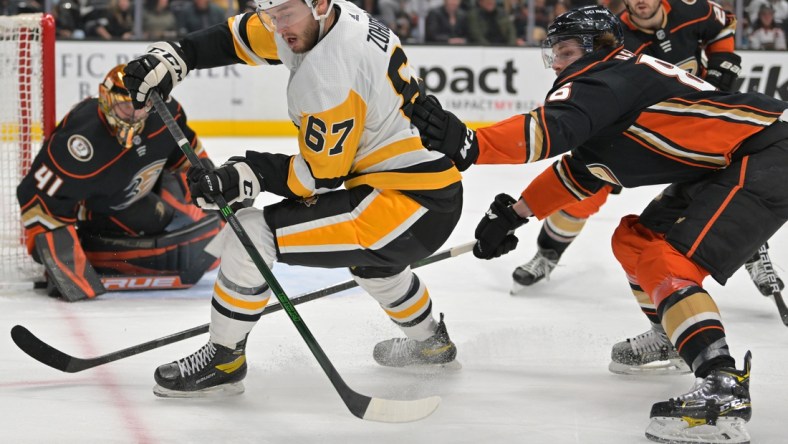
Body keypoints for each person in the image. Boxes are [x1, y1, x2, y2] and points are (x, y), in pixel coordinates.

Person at [412, 6, 788, 443]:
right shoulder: (613, 88)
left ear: (596, 48)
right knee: (635, 239)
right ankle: (674, 332)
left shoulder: (606, 75)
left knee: (668, 259)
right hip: (731, 162)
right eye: (552, 52)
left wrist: (472, 143)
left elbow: (548, 129)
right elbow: (578, 172)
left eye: (565, 50)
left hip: (765, 155)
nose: (555, 62)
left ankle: (723, 387)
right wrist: (515, 214)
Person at [121, 0, 464, 397]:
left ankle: (224, 359)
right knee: (374, 266)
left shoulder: (329, 74)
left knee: (250, 235)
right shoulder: (330, 17)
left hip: (406, 206)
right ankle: (430, 343)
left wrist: (246, 174)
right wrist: (179, 55)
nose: (277, 26)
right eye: (271, 14)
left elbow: (322, 175)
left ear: (318, 5)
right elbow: (237, 36)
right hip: (424, 191)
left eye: (285, 14)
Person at [510, 0, 783, 304]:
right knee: (582, 194)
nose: (641, 2)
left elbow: (723, 23)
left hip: (700, 124)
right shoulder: (613, 36)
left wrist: (722, 61)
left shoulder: (693, 10)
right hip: (635, 133)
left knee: (729, 185)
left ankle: (754, 250)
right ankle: (548, 252)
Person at [17, 64, 221, 301]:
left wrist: (218, 189)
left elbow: (187, 156)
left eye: (141, 108)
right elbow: (37, 197)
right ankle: (95, 251)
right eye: (125, 107)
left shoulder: (166, 113)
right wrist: (60, 261)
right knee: (155, 219)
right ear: (106, 100)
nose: (134, 117)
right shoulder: (80, 141)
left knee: (186, 213)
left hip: (139, 188)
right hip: (99, 208)